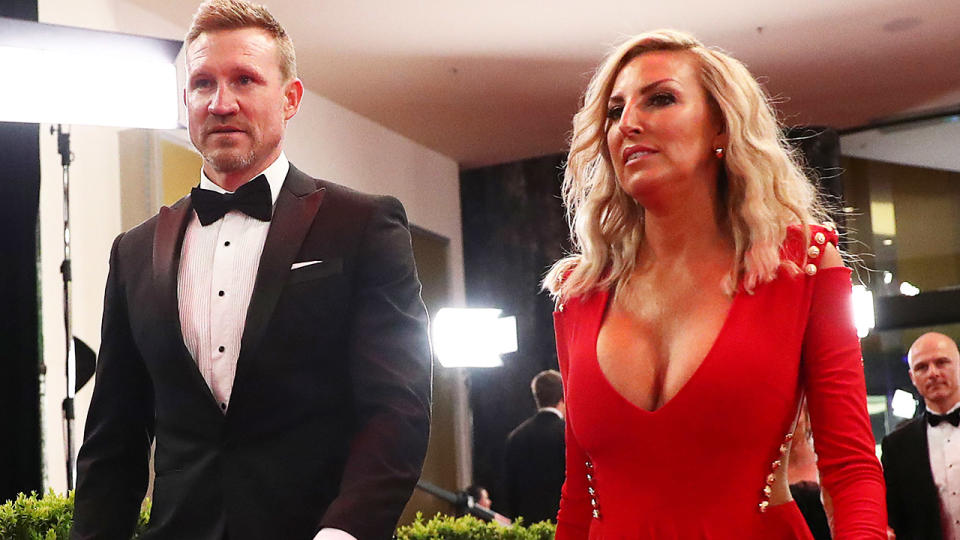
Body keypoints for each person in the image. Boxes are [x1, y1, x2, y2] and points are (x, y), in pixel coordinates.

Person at [70, 1, 431, 539]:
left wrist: (343, 533)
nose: (221, 103)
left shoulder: (364, 224)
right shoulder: (132, 253)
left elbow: (397, 409)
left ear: (290, 99)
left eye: (244, 79)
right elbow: (113, 440)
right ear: (184, 101)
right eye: (201, 83)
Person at [543, 30, 886, 538]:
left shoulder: (801, 264)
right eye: (615, 112)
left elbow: (850, 467)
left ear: (721, 128)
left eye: (660, 99)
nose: (629, 124)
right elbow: (579, 495)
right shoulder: (581, 291)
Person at [882, 332, 960, 540]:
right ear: (912, 378)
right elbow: (895, 517)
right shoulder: (897, 446)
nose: (933, 373)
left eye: (942, 362)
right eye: (922, 367)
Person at [503, 369, 566, 524]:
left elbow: (510, 490)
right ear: (563, 397)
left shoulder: (516, 437)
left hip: (527, 526)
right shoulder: (567, 434)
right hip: (561, 524)